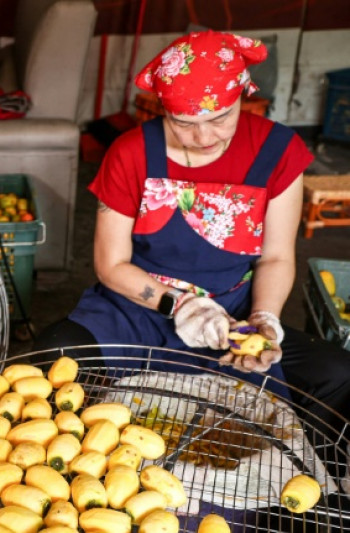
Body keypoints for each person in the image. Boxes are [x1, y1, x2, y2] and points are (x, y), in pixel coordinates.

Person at [32, 31, 350, 438]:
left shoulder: (279, 150)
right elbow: (111, 264)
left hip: (233, 316)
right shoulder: (130, 153)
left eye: (220, 118)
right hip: (136, 310)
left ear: (243, 96)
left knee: (337, 374)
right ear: (163, 110)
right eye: (183, 123)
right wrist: (179, 306)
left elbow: (276, 257)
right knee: (54, 354)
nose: (204, 138)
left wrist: (264, 319)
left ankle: (308, 474)